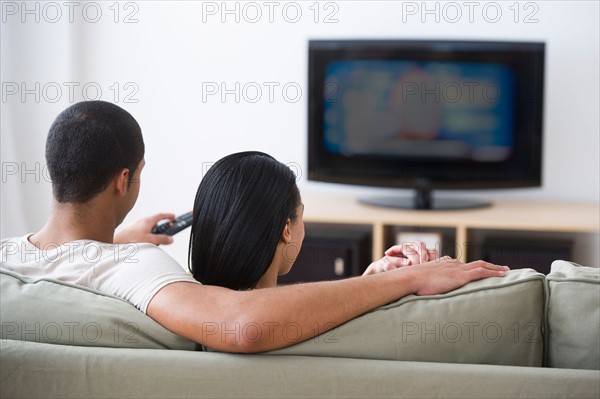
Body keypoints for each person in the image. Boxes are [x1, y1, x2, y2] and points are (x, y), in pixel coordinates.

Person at [0, 101, 509, 353]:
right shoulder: (137, 270)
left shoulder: (10, 258)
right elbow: (242, 323)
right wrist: (402, 281)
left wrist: (115, 241)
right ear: (125, 178)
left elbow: (74, 259)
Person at [188, 151, 439, 290]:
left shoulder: (184, 312)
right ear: (286, 229)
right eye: (302, 216)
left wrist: (371, 279)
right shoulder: (302, 329)